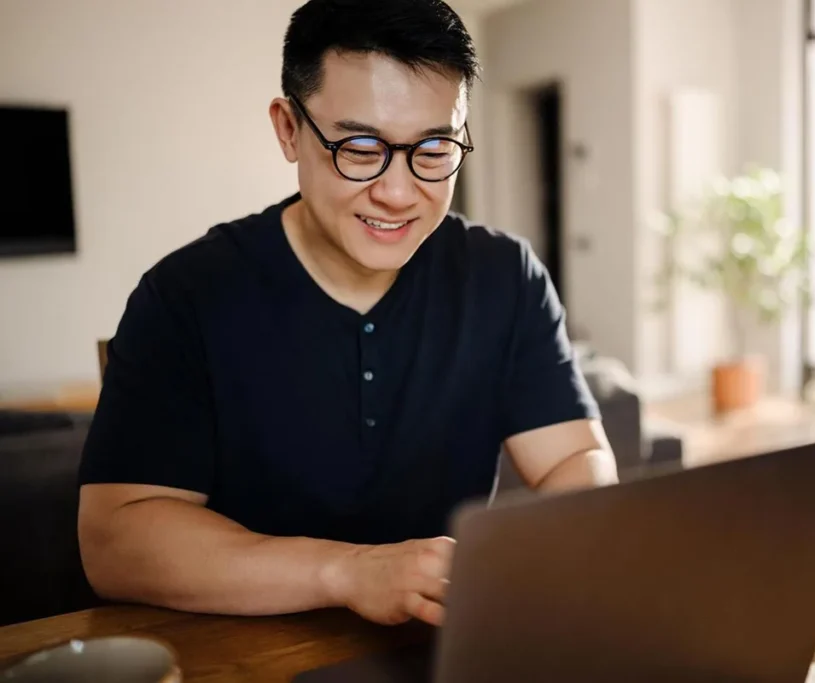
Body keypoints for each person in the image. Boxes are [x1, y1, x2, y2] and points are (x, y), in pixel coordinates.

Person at [77, 0, 618, 629]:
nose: (396, 192)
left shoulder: (504, 277)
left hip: (446, 644)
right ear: (288, 129)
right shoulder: (187, 295)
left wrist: (559, 553)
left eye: (434, 148)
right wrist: (348, 572)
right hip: (243, 650)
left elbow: (572, 460)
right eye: (360, 147)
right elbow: (114, 543)